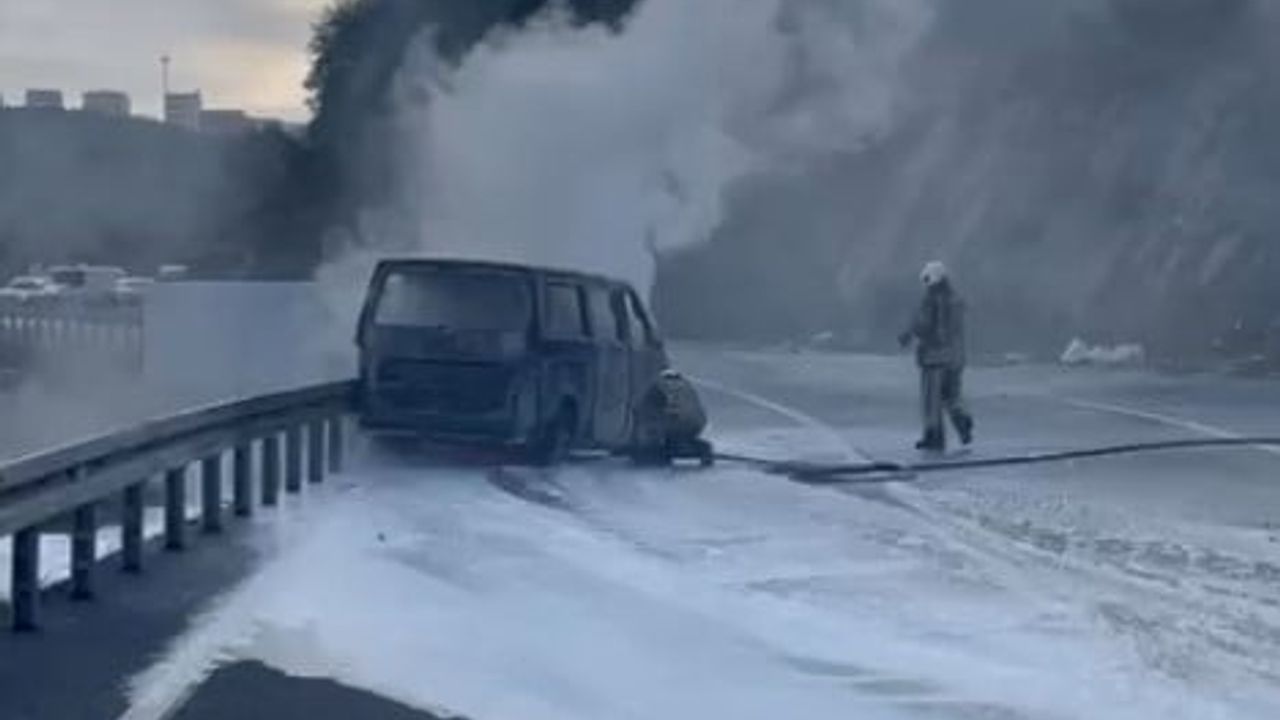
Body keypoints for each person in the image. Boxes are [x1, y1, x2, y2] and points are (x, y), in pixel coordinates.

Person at [898, 261, 974, 451]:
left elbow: (923, 324)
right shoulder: (956, 300)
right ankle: (963, 419)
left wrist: (908, 334)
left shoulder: (931, 300)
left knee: (931, 399)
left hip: (934, 357)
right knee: (952, 396)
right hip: (956, 357)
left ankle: (934, 436)